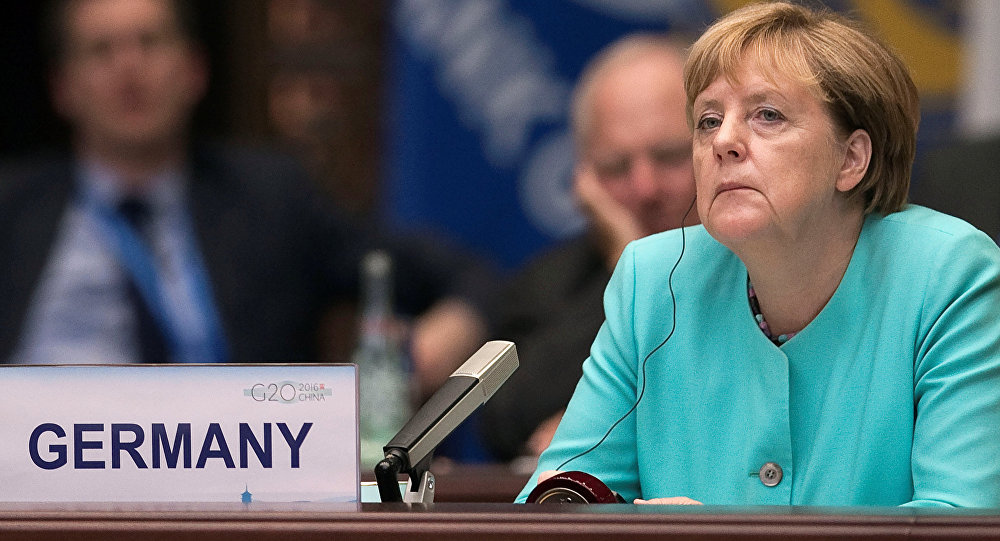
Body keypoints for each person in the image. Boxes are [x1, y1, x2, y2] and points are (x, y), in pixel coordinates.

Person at [517, 1, 1000, 507]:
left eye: (767, 115)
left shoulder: (947, 277)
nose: (723, 140)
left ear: (851, 158)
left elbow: (955, 521)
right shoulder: (653, 281)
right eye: (707, 121)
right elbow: (558, 498)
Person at [0, 0, 492, 398]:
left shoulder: (269, 199)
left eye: (149, 43)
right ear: (62, 88)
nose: (129, 68)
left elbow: (467, 275)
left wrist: (451, 327)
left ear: (194, 71)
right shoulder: (13, 207)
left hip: (233, 485)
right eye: (101, 50)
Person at [481, 34, 698, 462]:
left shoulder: (762, 268)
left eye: (670, 156)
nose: (645, 188)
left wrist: (604, 422)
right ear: (584, 179)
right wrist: (628, 265)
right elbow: (503, 422)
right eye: (616, 167)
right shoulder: (545, 285)